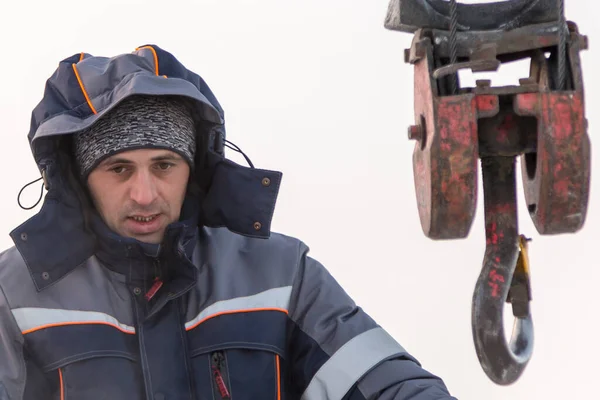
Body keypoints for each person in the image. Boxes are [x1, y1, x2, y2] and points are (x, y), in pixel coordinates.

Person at [0, 45, 457, 400]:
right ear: (81, 178)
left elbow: (383, 383)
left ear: (193, 169)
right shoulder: (14, 295)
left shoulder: (279, 276)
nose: (144, 194)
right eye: (119, 169)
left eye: (163, 165)